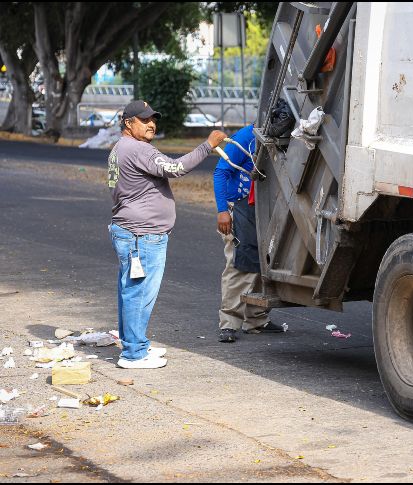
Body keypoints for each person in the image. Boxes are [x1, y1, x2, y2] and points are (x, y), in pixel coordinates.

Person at [108, 100, 227, 368]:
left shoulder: (122, 147)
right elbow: (176, 168)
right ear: (129, 123)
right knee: (139, 294)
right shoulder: (138, 149)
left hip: (132, 232)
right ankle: (133, 354)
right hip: (142, 236)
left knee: (131, 292)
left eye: (153, 119)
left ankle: (135, 345)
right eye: (144, 120)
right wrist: (208, 145)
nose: (151, 124)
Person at [213, 124, 284, 342]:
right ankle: (228, 323)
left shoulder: (281, 136)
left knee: (263, 265)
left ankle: (256, 320)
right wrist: (222, 210)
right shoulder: (246, 137)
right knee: (238, 266)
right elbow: (221, 172)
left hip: (261, 209)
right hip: (238, 208)